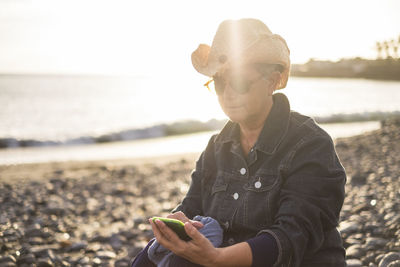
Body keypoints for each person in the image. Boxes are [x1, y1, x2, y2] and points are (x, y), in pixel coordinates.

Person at [131, 18, 346, 267]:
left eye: (240, 82)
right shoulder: (216, 148)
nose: (228, 93)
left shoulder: (310, 144)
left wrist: (216, 258)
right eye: (220, 82)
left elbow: (293, 236)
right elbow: (191, 207)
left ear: (273, 81)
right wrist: (178, 228)